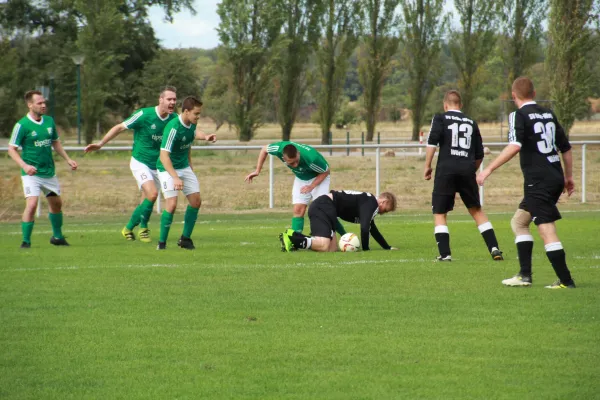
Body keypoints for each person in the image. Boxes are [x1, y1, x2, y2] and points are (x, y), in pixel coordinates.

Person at [477, 77, 576, 289]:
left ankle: (566, 281)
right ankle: (524, 275)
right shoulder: (548, 114)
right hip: (553, 176)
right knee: (520, 222)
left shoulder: (518, 115)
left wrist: (488, 169)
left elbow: (515, 145)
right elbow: (565, 148)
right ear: (534, 92)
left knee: (545, 228)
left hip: (539, 180)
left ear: (514, 96)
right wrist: (568, 177)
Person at [84, 86, 178, 243]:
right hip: (140, 162)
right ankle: (142, 229)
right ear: (160, 100)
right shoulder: (144, 114)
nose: (173, 102)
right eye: (169, 99)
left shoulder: (174, 119)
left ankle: (131, 228)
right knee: (153, 194)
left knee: (148, 198)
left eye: (175, 99)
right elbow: (120, 127)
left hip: (158, 165)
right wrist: (101, 143)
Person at [424, 90, 503, 262]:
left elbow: (431, 143)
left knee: (439, 212)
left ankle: (445, 254)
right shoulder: (471, 122)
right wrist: (470, 170)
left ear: (445, 105)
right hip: (467, 170)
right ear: (460, 105)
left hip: (446, 169)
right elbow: (480, 154)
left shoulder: (440, 118)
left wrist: (427, 166)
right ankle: (494, 248)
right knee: (477, 211)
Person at [8, 90, 78, 248]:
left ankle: (57, 237)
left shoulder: (49, 121)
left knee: (56, 204)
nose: (43, 105)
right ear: (30, 105)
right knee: (32, 205)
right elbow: (11, 149)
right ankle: (25, 242)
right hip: (31, 174)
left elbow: (55, 142)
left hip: (48, 173)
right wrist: (25, 166)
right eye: (39, 103)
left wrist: (68, 159)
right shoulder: (22, 125)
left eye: (44, 102)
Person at [245, 141, 346, 235]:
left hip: (319, 177)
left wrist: (312, 186)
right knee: (298, 210)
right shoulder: (278, 149)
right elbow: (264, 149)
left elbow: (325, 171)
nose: (295, 165)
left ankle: (345, 236)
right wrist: (257, 171)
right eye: (291, 163)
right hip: (301, 178)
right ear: (284, 158)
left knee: (323, 211)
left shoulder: (311, 158)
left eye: (296, 161)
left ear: (298, 153)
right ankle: (296, 240)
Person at [156, 96, 216, 250]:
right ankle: (161, 244)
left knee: (196, 202)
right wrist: (175, 177)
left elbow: (195, 133)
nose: (198, 117)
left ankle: (185, 239)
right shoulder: (173, 127)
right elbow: (164, 156)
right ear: (186, 111)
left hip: (184, 167)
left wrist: (206, 137)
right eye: (196, 114)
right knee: (172, 204)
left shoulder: (190, 124)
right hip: (167, 168)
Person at [280, 190, 397, 252]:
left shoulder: (368, 203)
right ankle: (292, 238)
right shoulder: (371, 204)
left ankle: (294, 235)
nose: (383, 213)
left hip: (325, 207)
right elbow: (365, 228)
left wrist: (387, 247)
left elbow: (372, 228)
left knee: (332, 249)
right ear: (383, 202)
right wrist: (365, 249)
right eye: (386, 210)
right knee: (324, 245)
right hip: (323, 206)